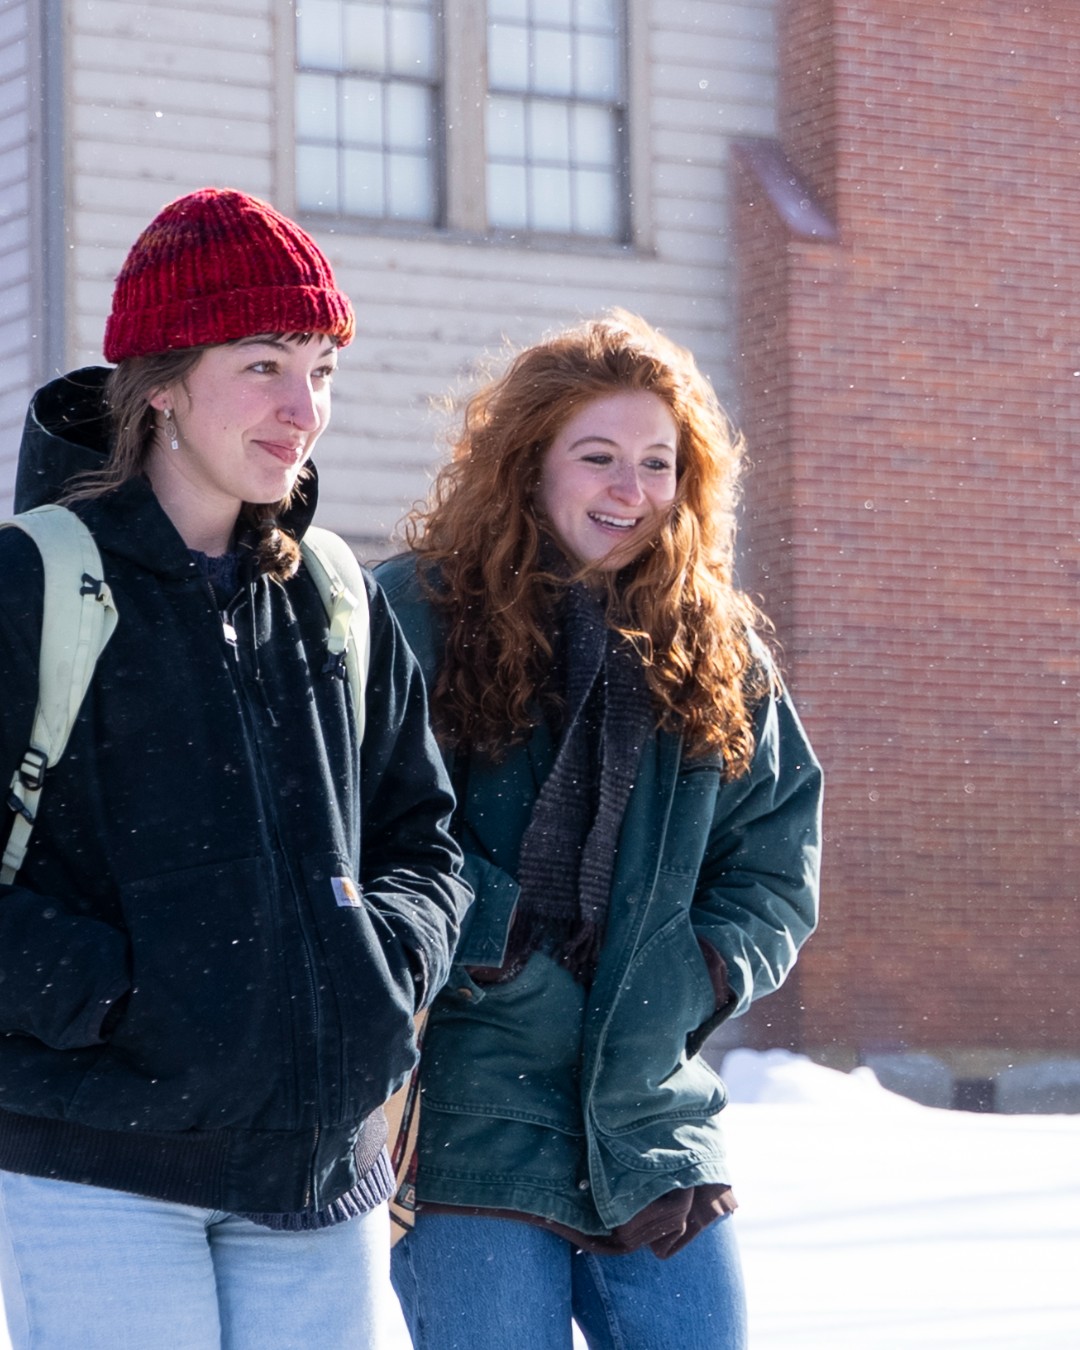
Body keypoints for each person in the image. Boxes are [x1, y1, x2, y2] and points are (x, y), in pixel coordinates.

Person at [0, 187, 470, 1349]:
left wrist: (388, 960)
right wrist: (118, 993)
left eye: (322, 369)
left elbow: (425, 839)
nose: (304, 407)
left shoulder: (333, 596)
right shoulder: (37, 581)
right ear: (161, 381)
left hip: (317, 1167)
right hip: (101, 1158)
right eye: (264, 364)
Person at [377, 311, 823, 1350]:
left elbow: (774, 859)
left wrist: (696, 969)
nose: (632, 489)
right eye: (600, 456)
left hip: (652, 1124)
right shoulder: (416, 614)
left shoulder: (717, 647)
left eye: (658, 463)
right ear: (529, 463)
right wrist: (501, 943)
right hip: (471, 1119)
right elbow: (366, 833)